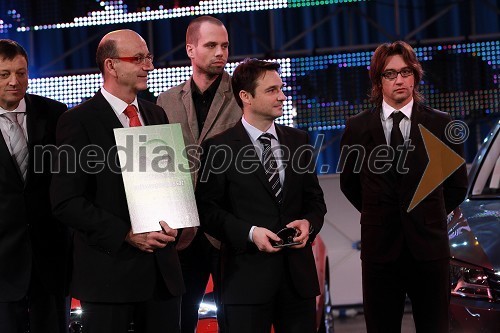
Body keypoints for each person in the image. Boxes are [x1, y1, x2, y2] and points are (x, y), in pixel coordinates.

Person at [50, 30, 184, 333]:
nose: (148, 66)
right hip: (109, 279)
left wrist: (178, 220)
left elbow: (171, 187)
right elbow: (65, 202)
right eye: (138, 59)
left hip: (163, 277)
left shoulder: (156, 114)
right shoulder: (78, 121)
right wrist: (126, 233)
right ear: (111, 65)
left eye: (148, 57)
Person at [339, 41, 468, 333]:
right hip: (380, 250)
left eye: (406, 72)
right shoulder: (357, 127)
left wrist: (424, 212)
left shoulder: (441, 124)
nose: (399, 80)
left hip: (429, 249)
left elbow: (456, 186)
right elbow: (350, 184)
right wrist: (382, 213)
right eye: (390, 73)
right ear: (378, 80)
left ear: (415, 76)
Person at [196, 58, 326, 333]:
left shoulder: (298, 140)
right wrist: (250, 232)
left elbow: (315, 201)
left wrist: (308, 224)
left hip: (297, 282)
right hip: (245, 283)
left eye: (281, 88)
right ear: (246, 97)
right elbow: (207, 211)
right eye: (271, 90)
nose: (281, 96)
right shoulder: (219, 147)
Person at [157, 15, 241, 332]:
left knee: (236, 318)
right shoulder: (164, 102)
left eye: (225, 46)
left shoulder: (244, 96)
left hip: (229, 226)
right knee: (179, 319)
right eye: (211, 45)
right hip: (182, 228)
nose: (220, 52)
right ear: (190, 49)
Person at [0, 39, 69, 333]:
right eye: (4, 74)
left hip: (51, 259)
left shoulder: (56, 114)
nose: (15, 82)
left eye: (21, 73)